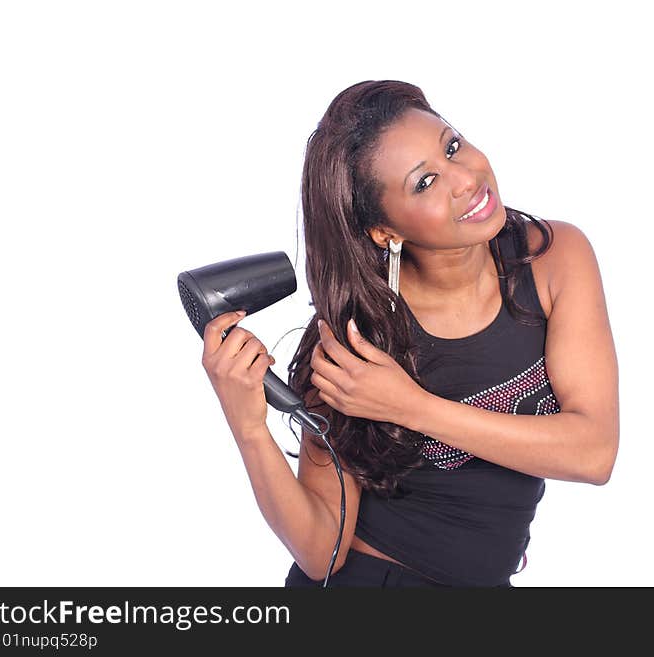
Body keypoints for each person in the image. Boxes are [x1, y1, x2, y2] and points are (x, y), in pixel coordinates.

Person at [200, 80, 620, 587]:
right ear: (385, 232)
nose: (465, 180)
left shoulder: (553, 258)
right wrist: (248, 430)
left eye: (453, 146)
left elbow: (594, 452)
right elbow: (320, 552)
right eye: (425, 183)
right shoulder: (357, 341)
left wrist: (411, 407)